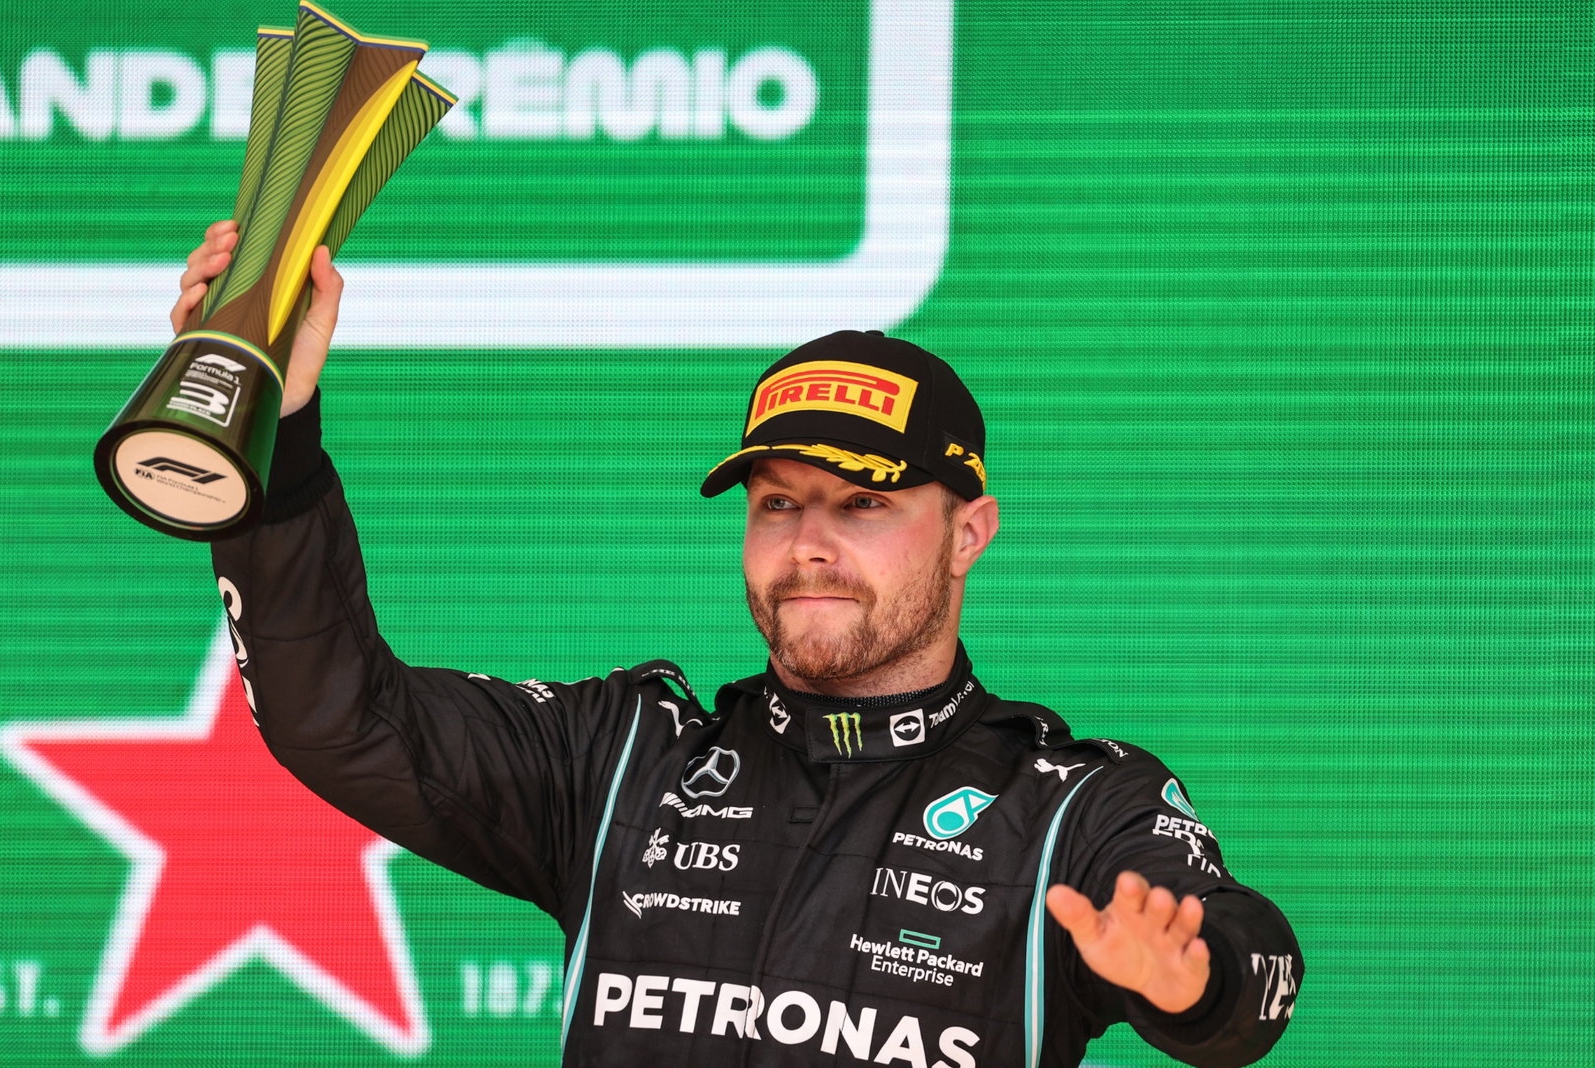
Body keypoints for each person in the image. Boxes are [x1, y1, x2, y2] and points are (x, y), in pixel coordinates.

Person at [177, 222, 1302, 1067]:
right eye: (776, 503)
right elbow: (336, 715)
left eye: (860, 506)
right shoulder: (619, 757)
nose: (807, 544)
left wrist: (1192, 981)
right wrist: (274, 428)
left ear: (969, 533)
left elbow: (1257, 977)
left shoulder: (1071, 806)